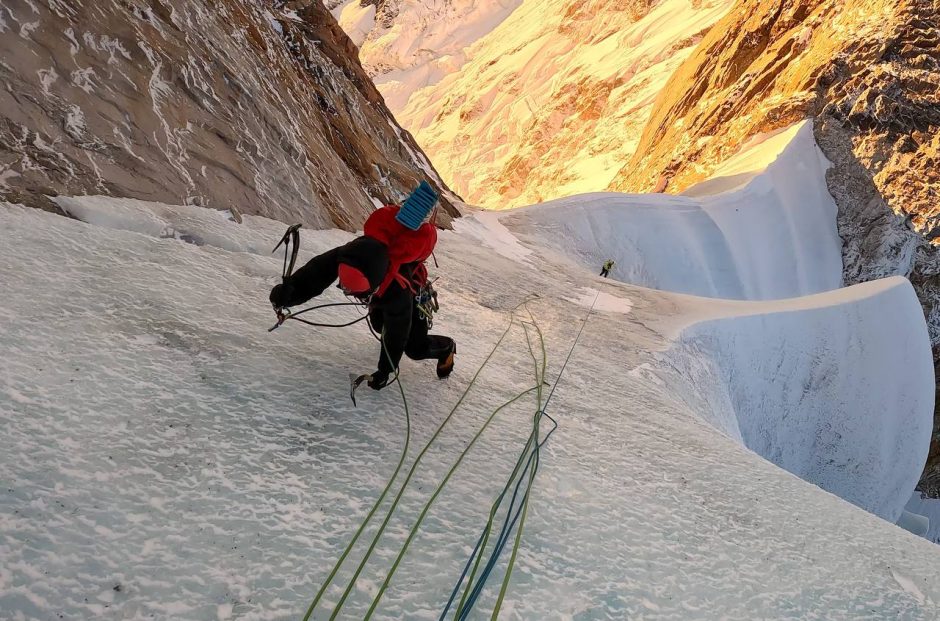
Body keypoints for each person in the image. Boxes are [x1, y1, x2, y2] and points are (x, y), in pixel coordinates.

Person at [269, 182, 456, 390]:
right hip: (383, 293)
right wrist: (288, 295)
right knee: (379, 325)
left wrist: (385, 370)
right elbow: (315, 275)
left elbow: (397, 332)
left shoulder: (397, 290)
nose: (349, 293)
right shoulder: (351, 255)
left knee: (414, 348)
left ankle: (446, 348)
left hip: (412, 293)